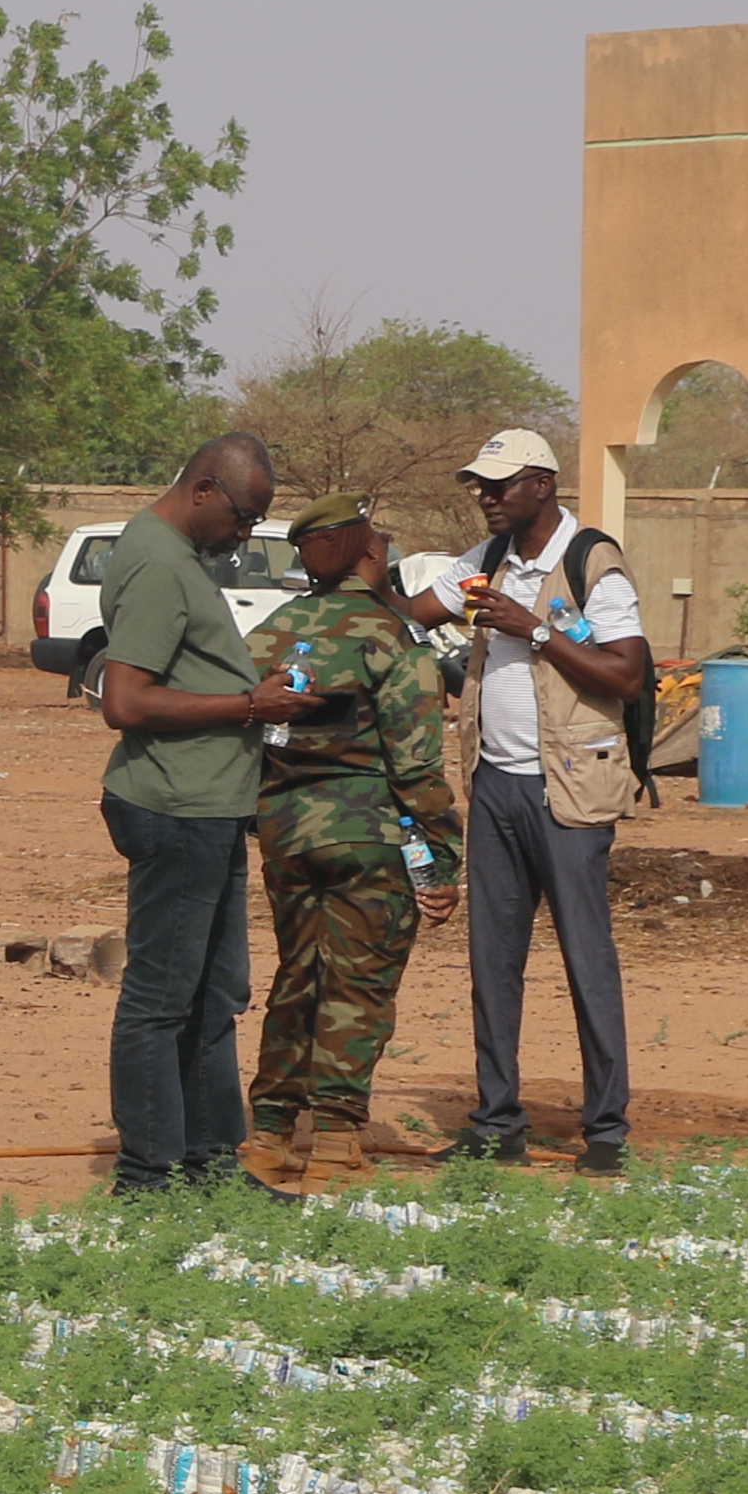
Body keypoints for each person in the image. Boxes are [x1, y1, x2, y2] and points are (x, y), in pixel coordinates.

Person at [423, 426, 651, 1173]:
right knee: (492, 962)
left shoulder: (591, 563)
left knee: (587, 959)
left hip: (572, 791)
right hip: (495, 786)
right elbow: (416, 610)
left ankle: (606, 1132)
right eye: (481, 486)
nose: (485, 497)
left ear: (543, 486)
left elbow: (626, 676)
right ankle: (498, 1121)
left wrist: (538, 629)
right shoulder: (485, 562)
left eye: (501, 484)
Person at [85, 432, 290, 1192]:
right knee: (162, 997)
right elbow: (125, 700)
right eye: (242, 518)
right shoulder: (158, 563)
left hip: (208, 805)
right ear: (203, 490)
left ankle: (208, 1163)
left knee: (215, 992)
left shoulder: (178, 559)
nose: (243, 535)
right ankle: (148, 1176)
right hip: (175, 806)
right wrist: (249, 702)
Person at [242, 499, 465, 1183]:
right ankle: (336, 1143)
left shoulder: (271, 631)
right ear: (367, 552)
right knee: (358, 985)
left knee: (298, 976)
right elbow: (417, 764)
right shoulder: (394, 636)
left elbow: (246, 726)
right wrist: (438, 864)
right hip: (370, 836)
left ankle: (270, 1136)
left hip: (286, 832)